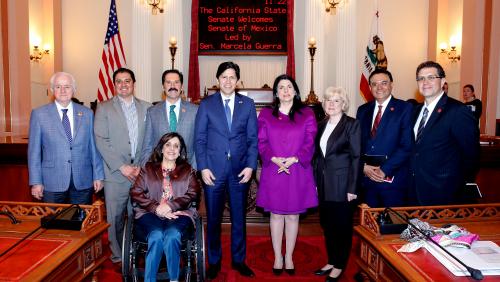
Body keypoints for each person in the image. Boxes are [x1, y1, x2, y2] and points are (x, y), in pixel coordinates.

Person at [194, 61, 258, 279]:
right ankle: (214, 261)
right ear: (218, 80)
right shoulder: (207, 104)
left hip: (240, 172)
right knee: (213, 219)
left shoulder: (247, 104)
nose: (228, 81)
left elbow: (252, 139)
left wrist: (251, 166)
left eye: (232, 77)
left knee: (239, 219)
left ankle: (239, 260)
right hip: (213, 171)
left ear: (237, 80)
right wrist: (202, 168)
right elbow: (199, 139)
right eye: (224, 77)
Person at [256, 74, 318, 276]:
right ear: (275, 93)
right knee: (275, 214)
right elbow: (261, 142)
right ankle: (277, 256)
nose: (285, 90)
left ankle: (289, 256)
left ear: (295, 90)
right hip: (273, 169)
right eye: (281, 87)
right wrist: (274, 159)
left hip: (297, 169)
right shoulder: (265, 114)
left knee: (292, 215)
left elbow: (310, 140)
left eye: (289, 86)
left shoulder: (307, 113)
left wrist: (294, 159)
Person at [94, 68, 152, 266]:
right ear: (114, 84)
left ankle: (137, 251)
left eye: (127, 80)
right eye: (119, 81)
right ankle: (118, 256)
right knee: (116, 217)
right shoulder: (103, 108)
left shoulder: (147, 107)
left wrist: (140, 167)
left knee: (139, 215)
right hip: (116, 174)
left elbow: (151, 141)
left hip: (140, 173)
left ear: (134, 83)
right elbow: (101, 139)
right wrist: (122, 167)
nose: (123, 84)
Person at [130, 132, 201, 282]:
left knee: (172, 234)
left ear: (180, 151)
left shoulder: (187, 170)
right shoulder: (148, 168)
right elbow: (136, 192)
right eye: (168, 144)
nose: (172, 149)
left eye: (176, 146)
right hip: (149, 213)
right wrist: (156, 208)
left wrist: (171, 206)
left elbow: (193, 192)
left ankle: (173, 279)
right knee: (155, 235)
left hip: (179, 214)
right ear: (161, 148)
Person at [410, 61, 479, 205]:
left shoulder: (458, 111)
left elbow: (471, 154)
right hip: (413, 189)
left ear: (442, 82)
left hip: (444, 192)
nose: (425, 82)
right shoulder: (415, 111)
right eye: (421, 78)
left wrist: (456, 183)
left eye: (431, 77)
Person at [28, 72, 104, 204]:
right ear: (52, 90)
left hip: (82, 181)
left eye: (67, 86)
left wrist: (98, 175)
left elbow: (93, 147)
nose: (62, 90)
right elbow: (34, 152)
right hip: (52, 182)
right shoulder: (39, 114)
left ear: (74, 89)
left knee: (81, 223)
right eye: (58, 87)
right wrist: (36, 182)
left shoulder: (87, 114)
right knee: (54, 223)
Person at [313, 87, 361, 282]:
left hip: (343, 186)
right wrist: (316, 182)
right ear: (324, 104)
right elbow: (318, 157)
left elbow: (357, 158)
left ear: (344, 104)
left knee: (342, 227)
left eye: (336, 101)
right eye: (328, 100)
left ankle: (340, 265)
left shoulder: (352, 125)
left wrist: (353, 188)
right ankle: (332, 260)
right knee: (327, 225)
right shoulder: (321, 124)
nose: (331, 104)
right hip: (324, 184)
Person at [356, 69, 413, 207]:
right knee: (368, 226)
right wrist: (362, 166)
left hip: (393, 181)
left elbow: (407, 145)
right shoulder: (362, 110)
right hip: (367, 181)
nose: (379, 87)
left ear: (391, 85)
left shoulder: (405, 108)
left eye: (384, 83)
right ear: (370, 87)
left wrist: (384, 170)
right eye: (374, 84)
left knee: (393, 226)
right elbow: (357, 144)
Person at [139, 69, 198, 167]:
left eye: (176, 82)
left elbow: (198, 145)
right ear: (163, 86)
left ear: (182, 86)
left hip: (187, 169)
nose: (173, 86)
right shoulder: (152, 112)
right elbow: (147, 147)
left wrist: (193, 171)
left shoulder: (195, 111)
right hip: (158, 171)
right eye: (168, 82)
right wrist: (149, 172)